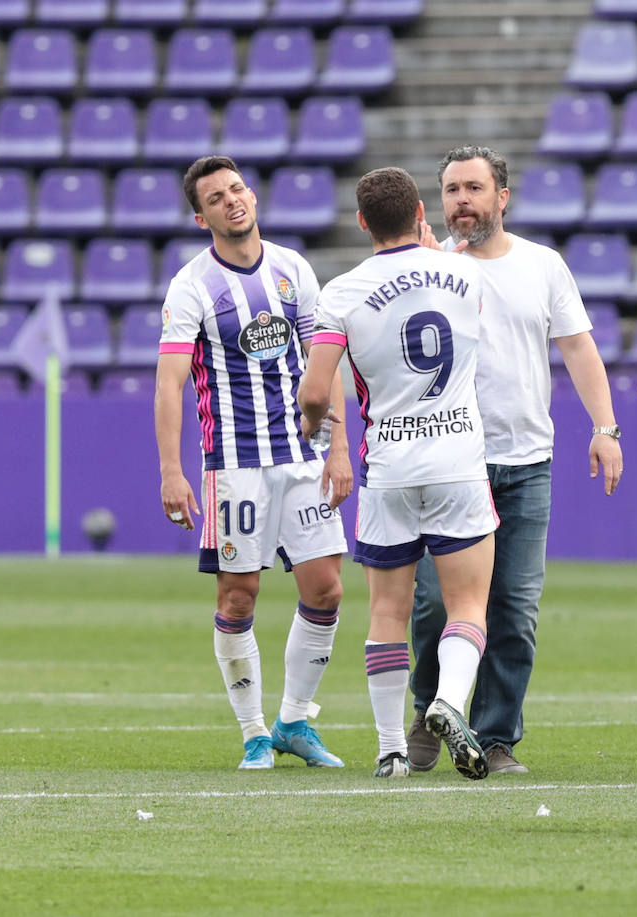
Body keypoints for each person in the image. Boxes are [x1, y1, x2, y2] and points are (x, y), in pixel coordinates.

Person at [404, 146, 623, 776]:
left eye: (473, 188)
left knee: (516, 609)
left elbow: (580, 351)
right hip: (451, 462)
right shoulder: (430, 267)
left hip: (526, 460)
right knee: (432, 603)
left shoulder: (542, 265)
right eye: (450, 190)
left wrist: (605, 428)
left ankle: (496, 737)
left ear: (503, 195)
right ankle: (426, 714)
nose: (461, 201)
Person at [156, 155, 353, 771]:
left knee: (326, 588)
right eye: (217, 198)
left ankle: (294, 720)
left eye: (237, 189)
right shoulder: (192, 286)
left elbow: (325, 360)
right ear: (201, 216)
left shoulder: (294, 268)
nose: (232, 201)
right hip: (234, 464)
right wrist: (171, 469)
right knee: (239, 597)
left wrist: (341, 447)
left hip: (304, 456)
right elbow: (170, 383)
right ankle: (253, 734)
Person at [299, 166, 496, 781]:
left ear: (361, 223)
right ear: (420, 211)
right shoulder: (469, 273)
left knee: (388, 609)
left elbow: (314, 388)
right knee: (468, 605)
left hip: (388, 464)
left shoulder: (342, 292)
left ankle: (390, 750)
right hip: (459, 462)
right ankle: (447, 701)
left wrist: (316, 427)